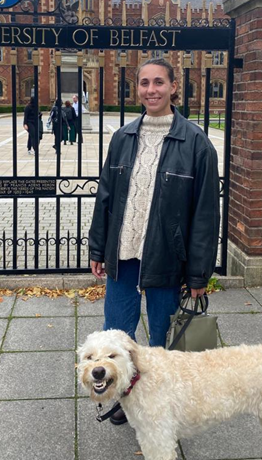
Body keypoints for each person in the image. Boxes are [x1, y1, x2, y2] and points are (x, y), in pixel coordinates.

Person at [89, 58, 220, 425]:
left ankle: (161, 405)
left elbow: (206, 216)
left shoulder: (197, 144)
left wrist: (198, 274)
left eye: (159, 82)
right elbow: (106, 198)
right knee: (116, 337)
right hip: (123, 254)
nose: (151, 90)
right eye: (144, 83)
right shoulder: (123, 137)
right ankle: (122, 399)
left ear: (173, 86)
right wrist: (98, 248)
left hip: (166, 257)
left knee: (162, 341)